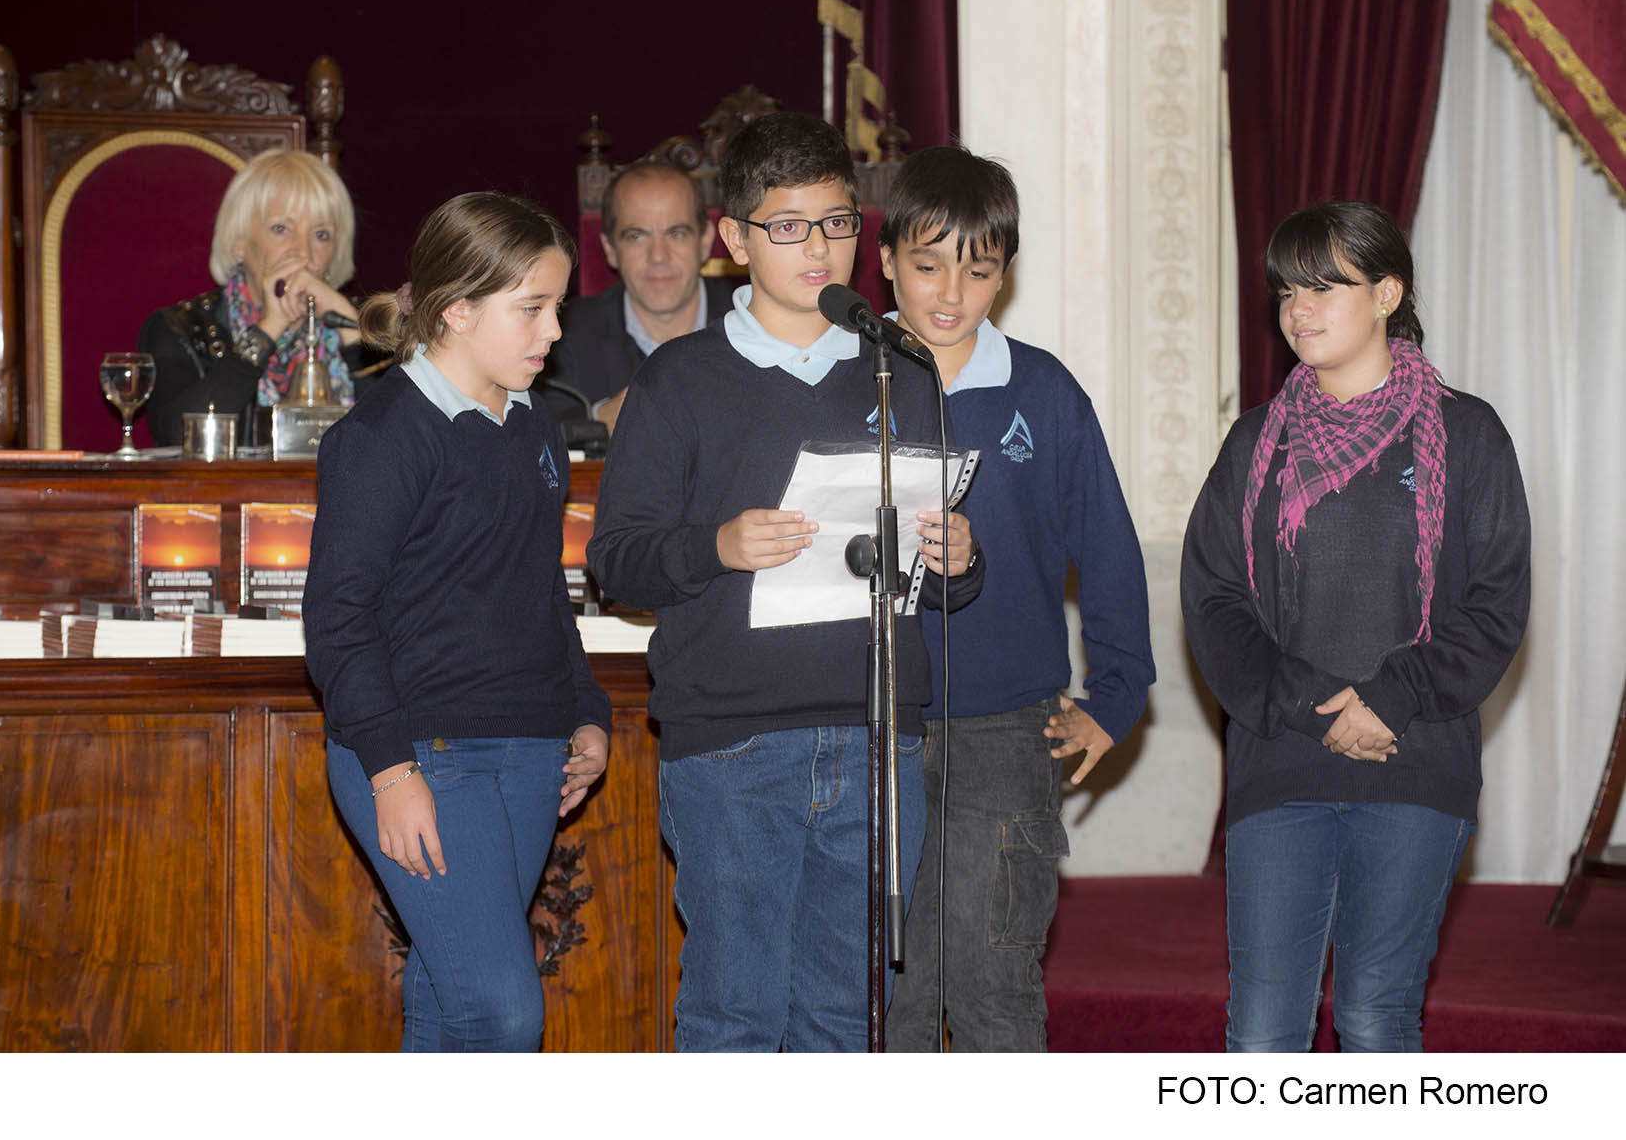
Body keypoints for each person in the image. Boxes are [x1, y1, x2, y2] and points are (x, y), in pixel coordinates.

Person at [586, 113, 984, 1051]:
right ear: (734, 239)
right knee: (736, 1011)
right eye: (790, 226)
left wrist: (959, 559)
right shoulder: (680, 382)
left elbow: (942, 581)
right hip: (735, 741)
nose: (820, 248)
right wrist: (715, 545)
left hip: (876, 729)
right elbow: (617, 560)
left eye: (839, 223)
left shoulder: (903, 372)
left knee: (845, 1018)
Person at [1180, 199, 1530, 1052]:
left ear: (1387, 293)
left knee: (1376, 1014)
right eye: (1286, 291)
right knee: (1264, 1031)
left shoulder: (1468, 432)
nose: (1299, 309)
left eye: (1325, 287)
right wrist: (1316, 707)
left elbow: (1495, 605)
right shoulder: (1255, 442)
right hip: (1281, 759)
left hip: (1417, 759)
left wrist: (1388, 700)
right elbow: (1215, 598)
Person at [303, 191, 611, 1052]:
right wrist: (390, 770)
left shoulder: (534, 422)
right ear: (456, 310)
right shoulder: (384, 434)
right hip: (419, 753)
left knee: (450, 1006)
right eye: (532, 309)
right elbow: (338, 618)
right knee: (503, 1014)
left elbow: (541, 587)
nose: (553, 332)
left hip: (528, 749)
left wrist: (585, 711)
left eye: (556, 307)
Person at [875, 146, 1155, 1052]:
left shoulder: (1044, 390)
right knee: (891, 994)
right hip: (867, 724)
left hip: (1005, 728)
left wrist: (1116, 696)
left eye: (979, 268)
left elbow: (1110, 553)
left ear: (1006, 270)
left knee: (991, 980)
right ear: (885, 261)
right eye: (926, 265)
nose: (951, 291)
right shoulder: (849, 379)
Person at [140, 148, 383, 446]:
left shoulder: (373, 326)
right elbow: (178, 438)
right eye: (281, 229)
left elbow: (411, 442)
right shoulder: (182, 328)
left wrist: (354, 333)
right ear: (239, 242)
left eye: (321, 235)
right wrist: (269, 328)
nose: (303, 254)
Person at [537, 161, 736, 433]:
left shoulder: (755, 321)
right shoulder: (561, 333)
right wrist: (598, 421)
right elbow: (530, 435)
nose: (658, 256)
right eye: (636, 236)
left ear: (705, 242)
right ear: (610, 249)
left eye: (676, 234)